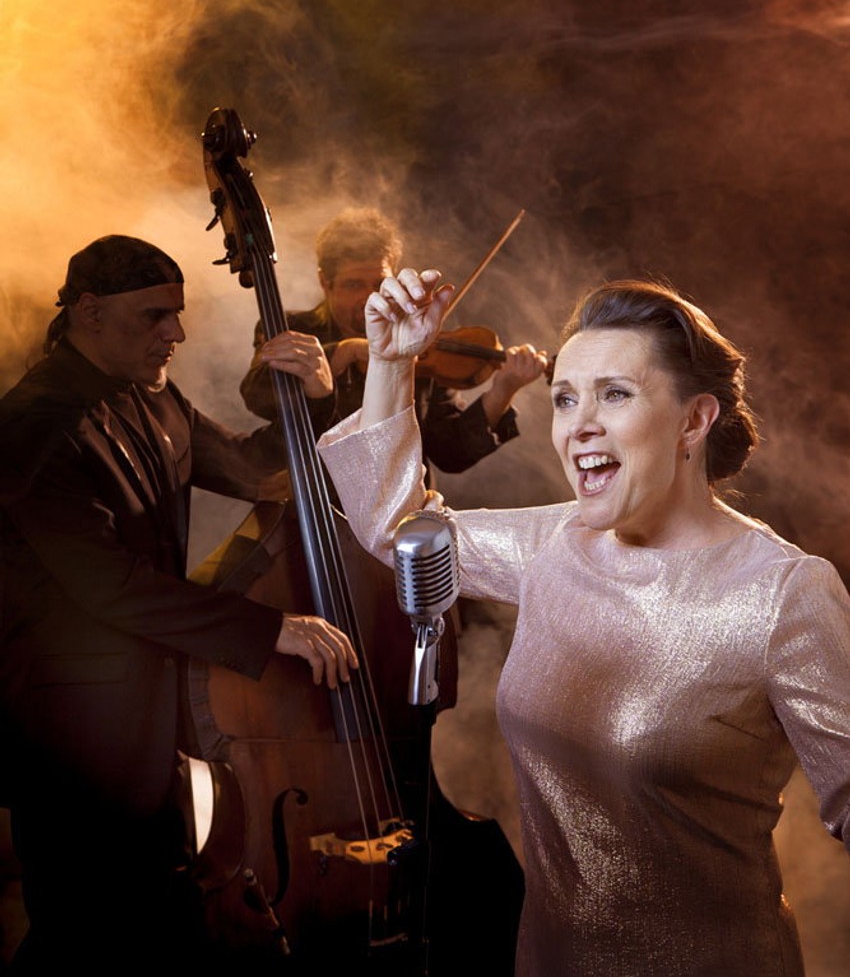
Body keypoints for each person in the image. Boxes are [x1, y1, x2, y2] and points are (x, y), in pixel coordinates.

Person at [316, 267, 850, 977]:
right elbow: (396, 531)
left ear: (694, 420)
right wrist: (390, 362)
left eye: (615, 394)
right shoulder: (554, 544)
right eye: (565, 398)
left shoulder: (784, 592)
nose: (579, 426)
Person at [0, 235, 357, 972]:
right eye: (155, 316)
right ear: (89, 312)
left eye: (179, 313)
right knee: (79, 936)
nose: (177, 333)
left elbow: (259, 472)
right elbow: (111, 585)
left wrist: (319, 401)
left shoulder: (155, 397)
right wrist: (269, 627)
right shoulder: (32, 424)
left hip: (156, 727)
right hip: (73, 739)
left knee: (149, 932)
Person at [240, 207, 545, 472]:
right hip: (317, 502)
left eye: (379, 283)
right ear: (325, 283)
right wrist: (345, 351)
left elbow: (451, 453)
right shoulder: (292, 327)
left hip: (401, 508)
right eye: (353, 285)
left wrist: (503, 390)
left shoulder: (417, 339)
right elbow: (258, 396)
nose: (368, 297)